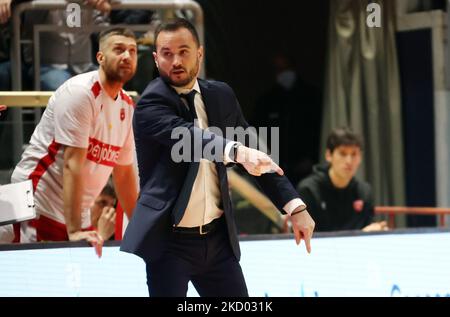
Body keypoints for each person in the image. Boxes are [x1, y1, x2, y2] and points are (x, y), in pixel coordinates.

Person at [120, 18, 315, 297]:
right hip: (170, 244)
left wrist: (295, 206)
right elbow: (189, 137)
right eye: (166, 53)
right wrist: (236, 151)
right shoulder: (151, 103)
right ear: (155, 57)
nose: (175, 60)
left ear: (199, 52)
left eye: (184, 51)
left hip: (217, 240)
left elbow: (258, 155)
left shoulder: (220, 95)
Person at [11, 28, 138, 253]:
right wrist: (75, 230)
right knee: (40, 281)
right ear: (100, 57)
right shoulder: (81, 93)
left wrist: (140, 227)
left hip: (76, 211)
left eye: (132, 51)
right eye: (119, 50)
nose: (126, 56)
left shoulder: (127, 106)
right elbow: (72, 164)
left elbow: (124, 173)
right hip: (40, 201)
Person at [296, 127, 388, 232]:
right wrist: (361, 234)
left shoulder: (364, 191)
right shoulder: (309, 190)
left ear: (360, 158)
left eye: (354, 154)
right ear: (329, 155)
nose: (349, 161)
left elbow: (368, 227)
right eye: (343, 153)